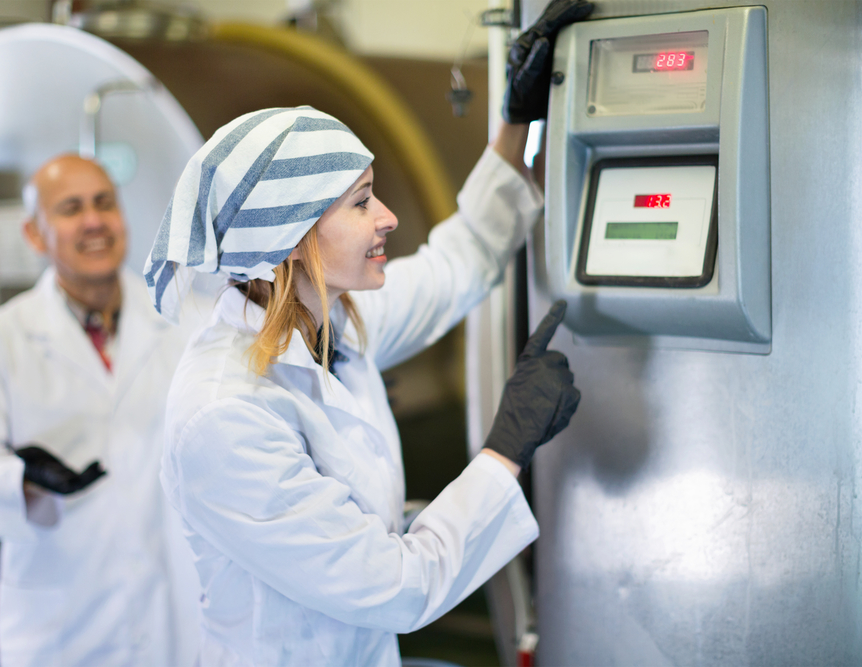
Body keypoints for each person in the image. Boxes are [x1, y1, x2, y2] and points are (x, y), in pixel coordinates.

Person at [145, 2, 592, 664]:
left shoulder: (334, 324)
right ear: (289, 238)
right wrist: (505, 449)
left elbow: (457, 263)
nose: (386, 217)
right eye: (360, 202)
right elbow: (399, 586)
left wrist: (513, 123)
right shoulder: (223, 415)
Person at [0, 155, 207, 667]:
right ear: (35, 235)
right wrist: (24, 479)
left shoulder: (187, 322)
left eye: (104, 203)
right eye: (70, 208)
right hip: (62, 626)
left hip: (177, 609)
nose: (93, 221)